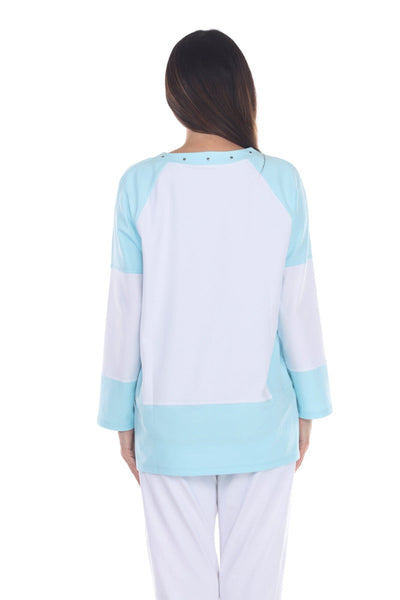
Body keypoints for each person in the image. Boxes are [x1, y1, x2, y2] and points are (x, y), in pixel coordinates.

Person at [97, 28, 333, 600]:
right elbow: (298, 305)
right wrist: (310, 406)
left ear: (175, 94)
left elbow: (125, 309)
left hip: (168, 425)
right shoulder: (280, 180)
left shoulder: (140, 185)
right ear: (241, 91)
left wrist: (120, 415)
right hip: (263, 422)